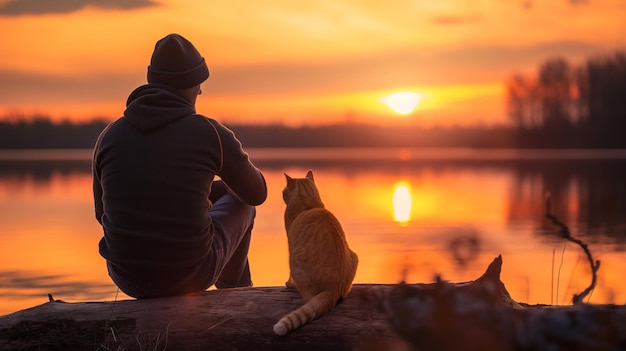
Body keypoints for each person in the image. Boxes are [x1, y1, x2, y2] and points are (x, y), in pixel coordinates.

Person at [92, 33, 267, 299]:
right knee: (243, 202)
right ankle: (236, 296)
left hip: (126, 278)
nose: (201, 91)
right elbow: (257, 193)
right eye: (199, 84)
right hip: (191, 274)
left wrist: (202, 192)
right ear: (189, 85)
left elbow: (102, 213)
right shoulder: (210, 133)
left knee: (225, 193)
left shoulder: (109, 136)